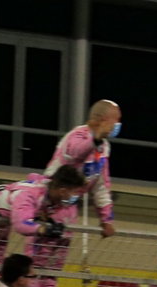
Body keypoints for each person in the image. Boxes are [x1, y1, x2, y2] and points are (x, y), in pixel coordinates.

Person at [10, 164, 97, 287]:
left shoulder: (66, 206)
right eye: (74, 192)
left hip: (54, 261)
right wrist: (44, 227)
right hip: (36, 259)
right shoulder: (38, 195)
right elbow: (23, 224)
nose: (76, 196)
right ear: (63, 190)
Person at [43, 98, 120, 240]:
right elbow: (76, 152)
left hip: (69, 205)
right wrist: (95, 139)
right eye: (116, 120)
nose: (118, 124)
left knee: (60, 252)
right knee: (42, 249)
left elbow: (101, 185)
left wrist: (106, 219)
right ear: (104, 120)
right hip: (48, 202)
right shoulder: (77, 135)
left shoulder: (104, 147)